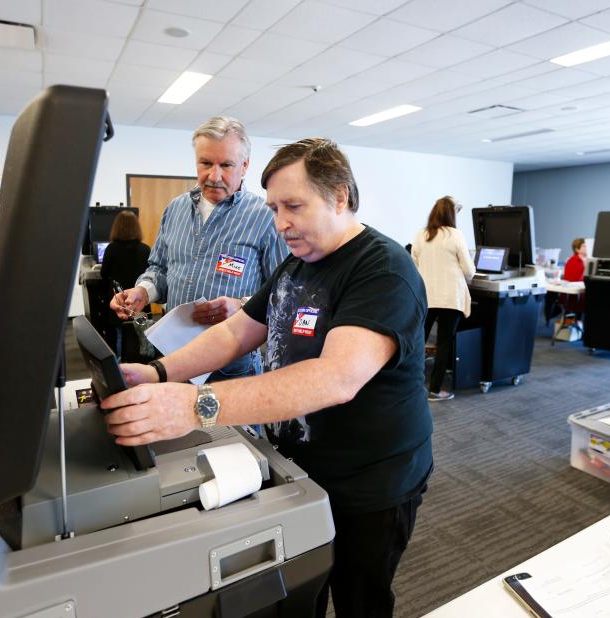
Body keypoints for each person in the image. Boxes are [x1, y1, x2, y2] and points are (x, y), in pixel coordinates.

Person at [101, 138, 433, 618]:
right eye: (275, 207)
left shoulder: (382, 270)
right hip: (302, 469)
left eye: (293, 206)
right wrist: (157, 372)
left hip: (370, 483)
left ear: (339, 196)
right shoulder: (300, 260)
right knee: (302, 591)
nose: (280, 223)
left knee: (361, 600)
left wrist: (195, 405)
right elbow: (237, 333)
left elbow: (334, 379)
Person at [110, 116, 288, 379]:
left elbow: (284, 291)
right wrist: (143, 291)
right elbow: (158, 269)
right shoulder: (175, 209)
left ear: (245, 165)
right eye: (206, 163)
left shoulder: (265, 217)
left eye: (226, 165)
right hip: (173, 357)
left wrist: (242, 305)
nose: (214, 176)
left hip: (231, 365)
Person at [411, 196, 474, 401]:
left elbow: (414, 266)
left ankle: (412, 386)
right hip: (450, 297)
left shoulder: (422, 235)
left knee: (419, 341)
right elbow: (469, 270)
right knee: (444, 343)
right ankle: (435, 390)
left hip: (427, 297)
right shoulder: (455, 235)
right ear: (451, 214)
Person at [100, 210, 151, 357]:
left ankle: (118, 365)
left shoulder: (111, 249)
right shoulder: (145, 249)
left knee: (117, 335)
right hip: (139, 301)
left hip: (119, 300)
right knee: (139, 335)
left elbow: (104, 274)